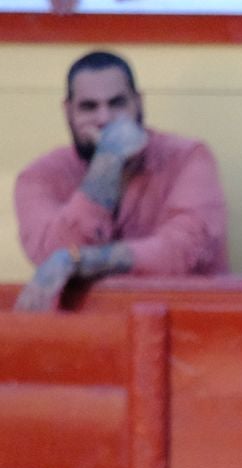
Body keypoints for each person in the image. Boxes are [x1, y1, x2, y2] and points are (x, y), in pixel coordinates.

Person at [13, 49, 228, 312]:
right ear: (68, 111)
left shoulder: (189, 158)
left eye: (117, 104)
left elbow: (184, 251)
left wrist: (82, 260)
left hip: (183, 322)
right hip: (84, 327)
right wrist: (108, 161)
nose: (104, 119)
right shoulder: (39, 177)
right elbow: (52, 256)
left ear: (138, 103)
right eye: (89, 107)